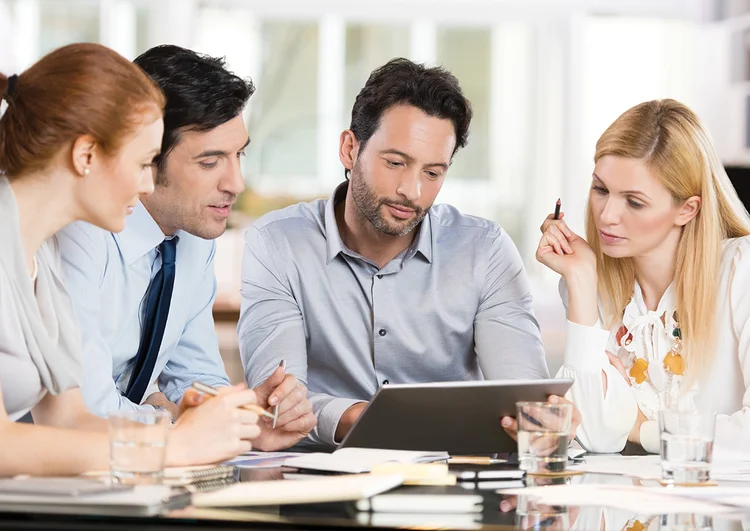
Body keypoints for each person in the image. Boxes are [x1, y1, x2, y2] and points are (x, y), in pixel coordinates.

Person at [239, 57, 552, 450]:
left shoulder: (484, 250)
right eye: (395, 163)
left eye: (433, 173)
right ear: (350, 149)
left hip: (448, 486)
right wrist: (357, 419)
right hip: (317, 481)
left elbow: (523, 404)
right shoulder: (277, 243)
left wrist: (538, 421)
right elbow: (279, 406)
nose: (412, 190)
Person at [0, 43, 261, 476]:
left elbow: (70, 417)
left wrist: (201, 429)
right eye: (142, 163)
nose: (146, 186)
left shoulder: (41, 258)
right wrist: (170, 444)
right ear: (85, 156)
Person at [56, 45, 316, 452]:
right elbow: (84, 412)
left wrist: (245, 418)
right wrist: (172, 419)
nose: (236, 184)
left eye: (239, 154)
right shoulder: (79, 231)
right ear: (146, 155)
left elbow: (197, 378)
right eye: (210, 162)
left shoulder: (193, 235)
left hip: (131, 468)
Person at [537, 98, 750, 454]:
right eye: (601, 190)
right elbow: (596, 434)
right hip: (626, 505)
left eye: (634, 202)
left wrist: (645, 431)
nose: (606, 216)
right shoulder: (591, 286)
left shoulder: (741, 270)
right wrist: (582, 280)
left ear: (687, 209)